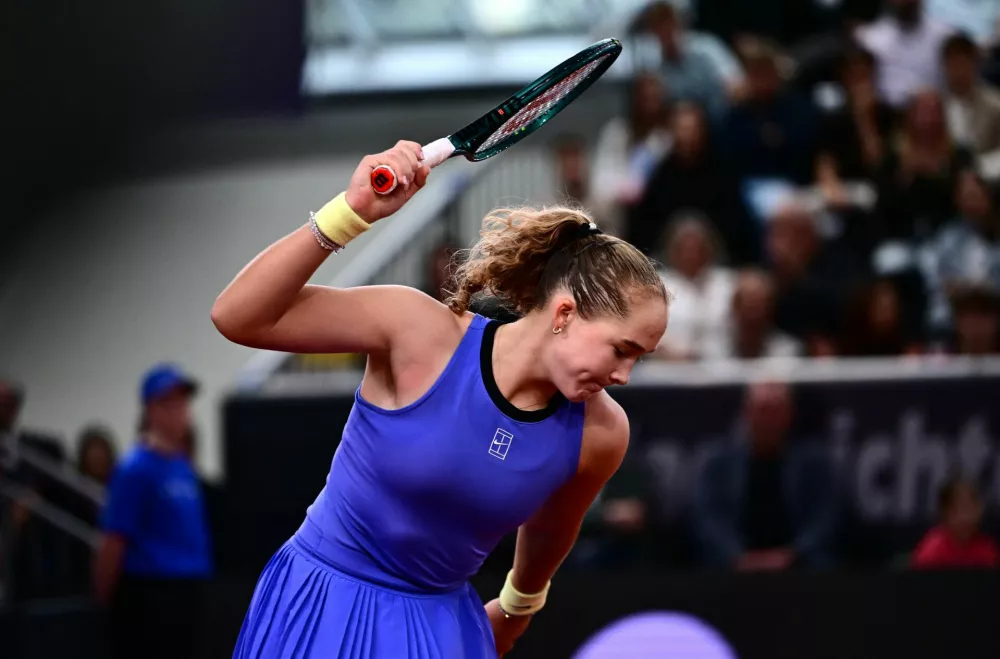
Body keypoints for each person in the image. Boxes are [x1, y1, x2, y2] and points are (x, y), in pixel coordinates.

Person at [211, 140, 670, 658]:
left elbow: (551, 531)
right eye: (621, 350)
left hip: (441, 627)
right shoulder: (416, 329)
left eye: (639, 358)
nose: (624, 375)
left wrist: (516, 610)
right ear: (564, 313)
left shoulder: (602, 433)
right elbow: (238, 316)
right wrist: (350, 214)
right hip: (323, 602)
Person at [93, 364, 213, 659]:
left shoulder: (183, 466)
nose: (180, 412)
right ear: (151, 410)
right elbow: (113, 540)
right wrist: (104, 604)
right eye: (169, 403)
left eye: (183, 403)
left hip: (189, 591)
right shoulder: (135, 469)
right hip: (152, 595)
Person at [911, 477, 999, 569]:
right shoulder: (932, 552)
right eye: (958, 509)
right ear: (944, 512)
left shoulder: (987, 550)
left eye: (971, 508)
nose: (965, 517)